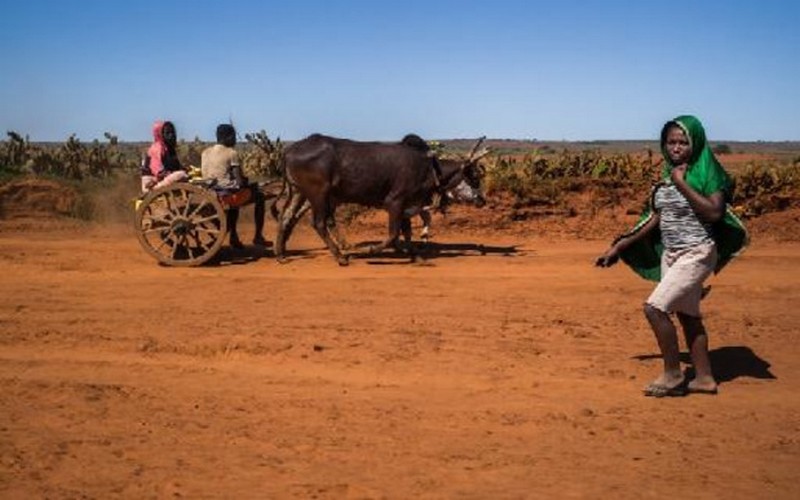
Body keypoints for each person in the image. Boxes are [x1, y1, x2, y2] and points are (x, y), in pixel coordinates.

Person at [596, 115, 748, 398]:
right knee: (688, 315)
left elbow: (714, 212)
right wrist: (619, 247)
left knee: (654, 308)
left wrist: (682, 183)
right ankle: (704, 378)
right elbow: (653, 219)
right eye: (671, 142)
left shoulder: (707, 174)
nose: (676, 147)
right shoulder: (666, 179)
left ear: (696, 143)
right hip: (672, 254)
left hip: (697, 252)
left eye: (683, 142)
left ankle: (673, 373)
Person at [201, 123, 267, 249]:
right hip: (226, 196)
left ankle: (234, 236)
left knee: (235, 197)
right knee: (260, 196)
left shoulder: (205, 152)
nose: (235, 140)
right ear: (228, 137)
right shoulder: (231, 153)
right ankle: (258, 236)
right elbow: (240, 182)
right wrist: (248, 183)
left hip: (210, 192)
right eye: (234, 137)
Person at [140, 120, 189, 193]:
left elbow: (176, 167)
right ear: (160, 134)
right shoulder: (156, 148)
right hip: (152, 183)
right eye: (167, 133)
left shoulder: (169, 149)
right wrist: (172, 173)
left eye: (172, 132)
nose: (171, 135)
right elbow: (159, 172)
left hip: (163, 180)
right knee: (181, 175)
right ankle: (154, 190)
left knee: (184, 174)